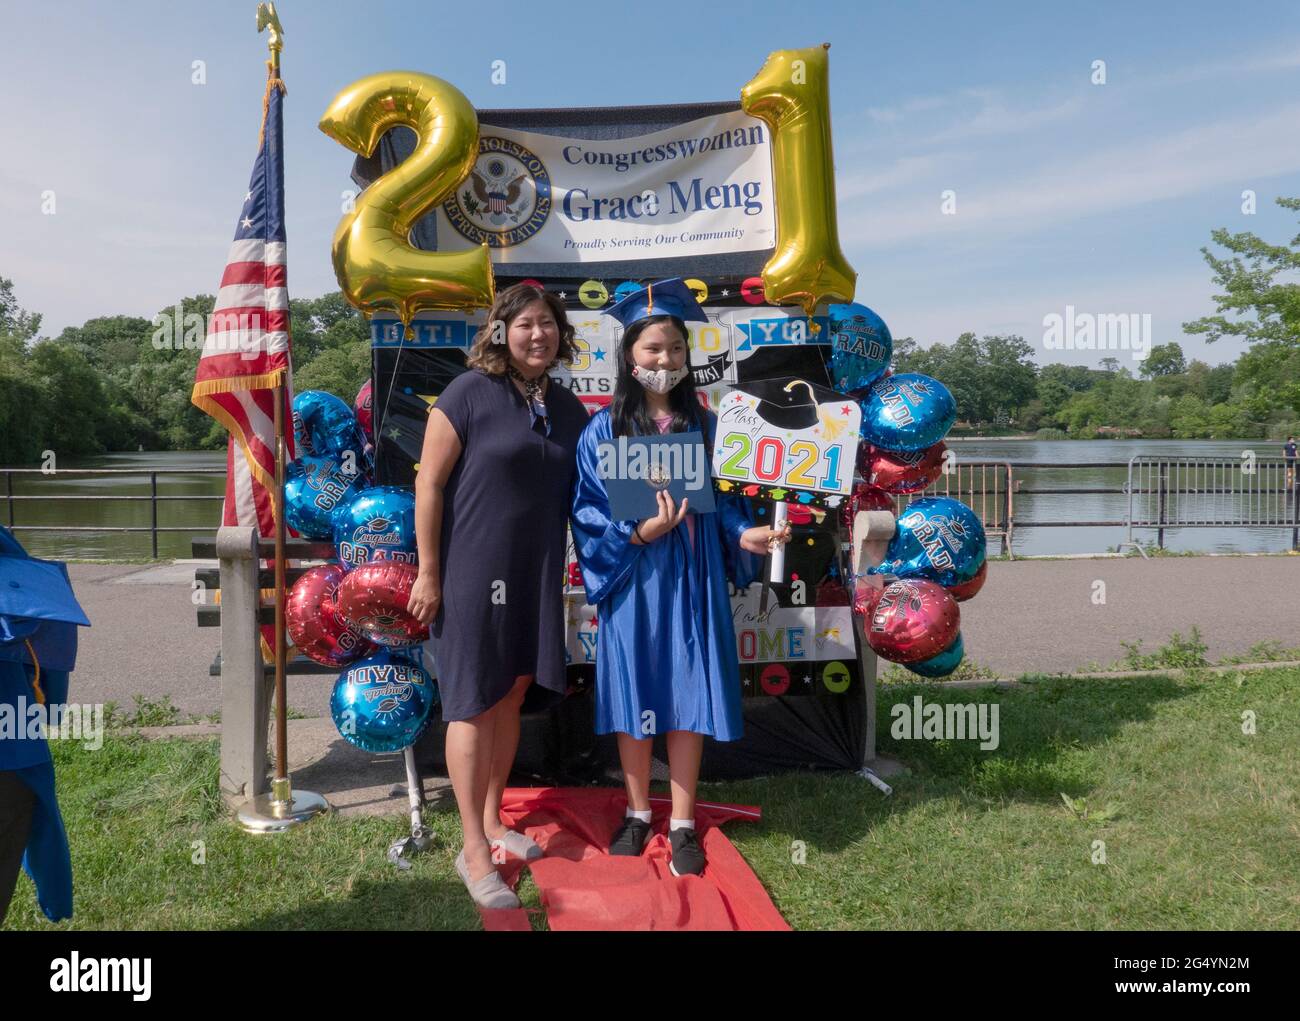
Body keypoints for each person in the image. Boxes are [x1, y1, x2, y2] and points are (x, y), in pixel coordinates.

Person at [570, 278, 792, 877]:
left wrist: (747, 536)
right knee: (637, 693)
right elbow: (588, 517)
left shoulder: (713, 426)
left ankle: (685, 821)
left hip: (691, 581)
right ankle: (639, 813)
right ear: (628, 357)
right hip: (634, 584)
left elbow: (727, 514)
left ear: (687, 356)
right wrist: (638, 533)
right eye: (651, 349)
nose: (663, 360)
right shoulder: (602, 432)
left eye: (673, 348)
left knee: (688, 694)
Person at [406, 283, 588, 909]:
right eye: (525, 324)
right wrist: (428, 572)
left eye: (549, 325)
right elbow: (427, 485)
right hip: (471, 570)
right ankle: (472, 852)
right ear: (500, 332)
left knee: (510, 692)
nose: (538, 335)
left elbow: (587, 495)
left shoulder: (567, 408)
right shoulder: (466, 393)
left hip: (534, 572)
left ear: (561, 334)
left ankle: (492, 821)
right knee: (471, 701)